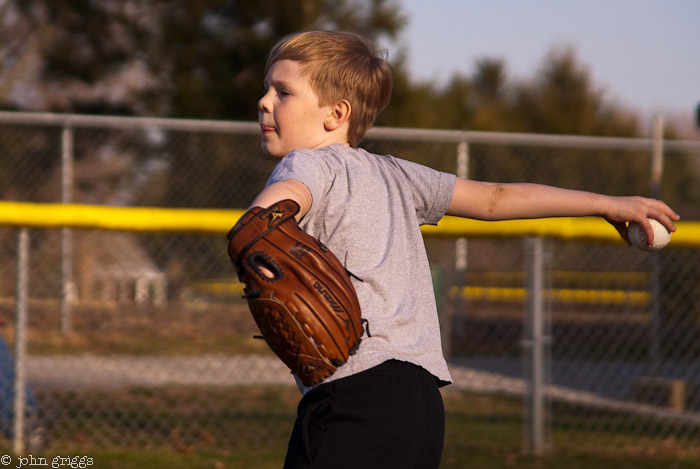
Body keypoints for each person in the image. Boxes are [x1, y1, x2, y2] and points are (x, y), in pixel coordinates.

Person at [249, 30, 679, 469]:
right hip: (421, 404)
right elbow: (497, 198)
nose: (265, 101)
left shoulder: (306, 163)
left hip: (351, 397)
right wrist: (606, 204)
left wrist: (257, 225)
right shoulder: (397, 174)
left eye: (282, 91)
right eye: (267, 89)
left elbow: (279, 204)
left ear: (335, 113)